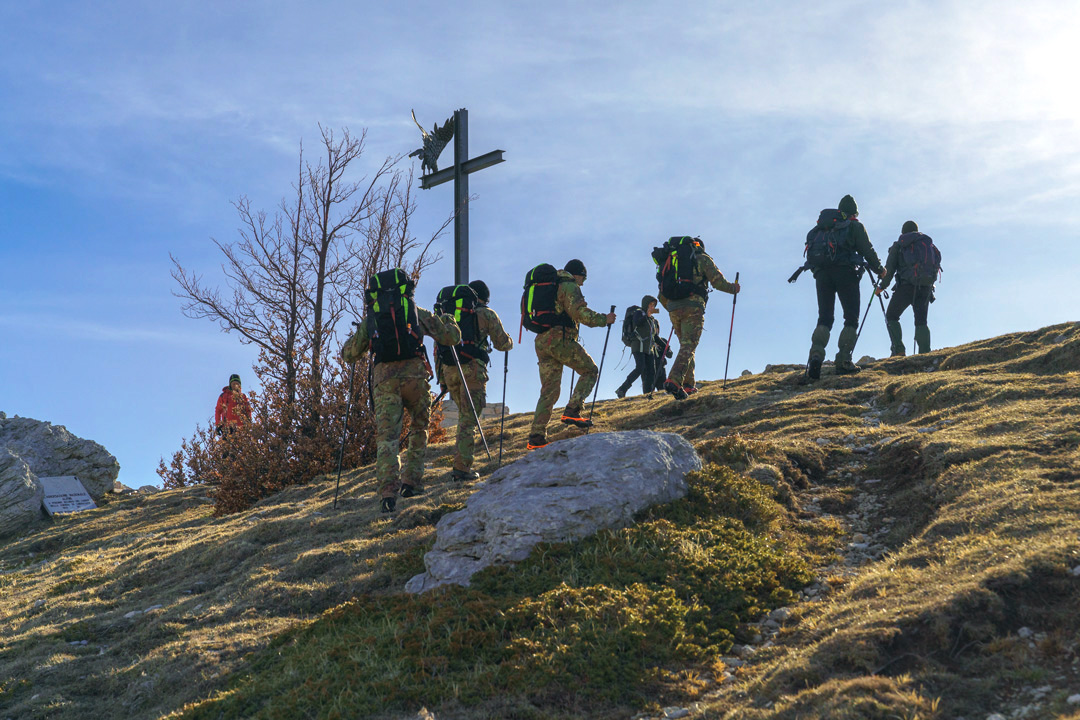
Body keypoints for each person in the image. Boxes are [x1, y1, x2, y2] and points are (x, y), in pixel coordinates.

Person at [342, 269, 461, 513]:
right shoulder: (417, 313)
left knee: (387, 438)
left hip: (385, 381)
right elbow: (451, 337)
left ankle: (388, 494)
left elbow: (349, 354)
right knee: (419, 428)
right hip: (416, 378)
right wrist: (449, 320)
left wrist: (358, 335)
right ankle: (411, 483)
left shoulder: (372, 318)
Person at [527, 259, 616, 450]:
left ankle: (536, 437)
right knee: (590, 371)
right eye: (583, 278)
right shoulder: (568, 285)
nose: (582, 283)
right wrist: (604, 319)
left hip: (542, 341)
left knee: (549, 390)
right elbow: (580, 313)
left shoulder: (549, 285)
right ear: (577, 274)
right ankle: (573, 410)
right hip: (559, 338)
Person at [437, 279, 514, 482]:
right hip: (472, 368)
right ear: (484, 298)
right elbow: (502, 343)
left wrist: (441, 379)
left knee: (464, 415)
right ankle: (462, 468)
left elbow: (439, 346)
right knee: (469, 419)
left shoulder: (448, 313)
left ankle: (460, 462)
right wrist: (510, 341)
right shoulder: (486, 314)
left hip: (449, 369)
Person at [803, 195, 885, 379]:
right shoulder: (855, 226)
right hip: (846, 273)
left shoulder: (819, 229)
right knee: (850, 317)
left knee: (824, 317)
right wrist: (880, 269)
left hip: (822, 274)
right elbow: (867, 250)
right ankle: (843, 360)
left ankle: (816, 355)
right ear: (854, 213)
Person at [658, 238, 740, 400]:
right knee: (689, 345)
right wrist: (733, 289)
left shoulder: (671, 260)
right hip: (693, 306)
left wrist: (673, 307)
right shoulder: (702, 258)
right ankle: (674, 380)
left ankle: (688, 385)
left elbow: (662, 292)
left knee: (686, 346)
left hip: (673, 308)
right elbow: (717, 282)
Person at [877, 220, 940, 356]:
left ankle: (898, 349)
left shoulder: (900, 245)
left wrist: (881, 286)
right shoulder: (927, 244)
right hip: (925, 287)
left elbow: (890, 268)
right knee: (921, 321)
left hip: (906, 287)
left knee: (891, 316)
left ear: (903, 232)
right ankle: (924, 354)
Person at [615, 295, 671, 398]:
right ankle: (622, 389)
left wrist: (666, 347)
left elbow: (656, 337)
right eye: (650, 304)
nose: (652, 307)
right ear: (646, 304)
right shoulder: (639, 313)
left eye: (654, 305)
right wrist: (647, 315)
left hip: (649, 349)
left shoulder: (652, 321)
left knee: (651, 372)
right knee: (640, 368)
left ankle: (648, 394)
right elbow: (637, 322)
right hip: (638, 346)